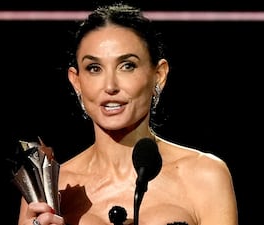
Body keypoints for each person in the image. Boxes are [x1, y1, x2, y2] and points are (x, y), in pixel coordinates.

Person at [17, 2, 238, 225]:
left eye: (127, 66)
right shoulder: (52, 189)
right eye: (94, 68)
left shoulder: (204, 176)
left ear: (158, 75)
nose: (110, 86)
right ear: (77, 82)